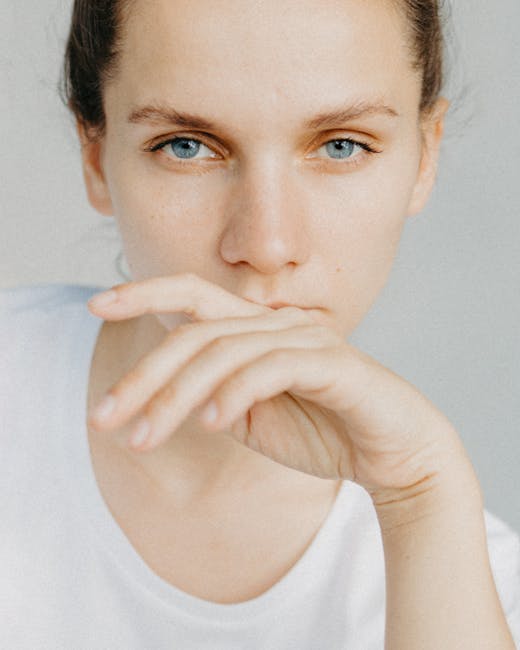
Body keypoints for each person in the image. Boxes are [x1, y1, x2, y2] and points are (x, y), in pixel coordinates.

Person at [1, 0, 519, 648]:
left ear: (424, 157)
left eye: (341, 145)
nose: (267, 245)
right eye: (187, 146)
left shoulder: (479, 593)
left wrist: (417, 498)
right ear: (96, 156)